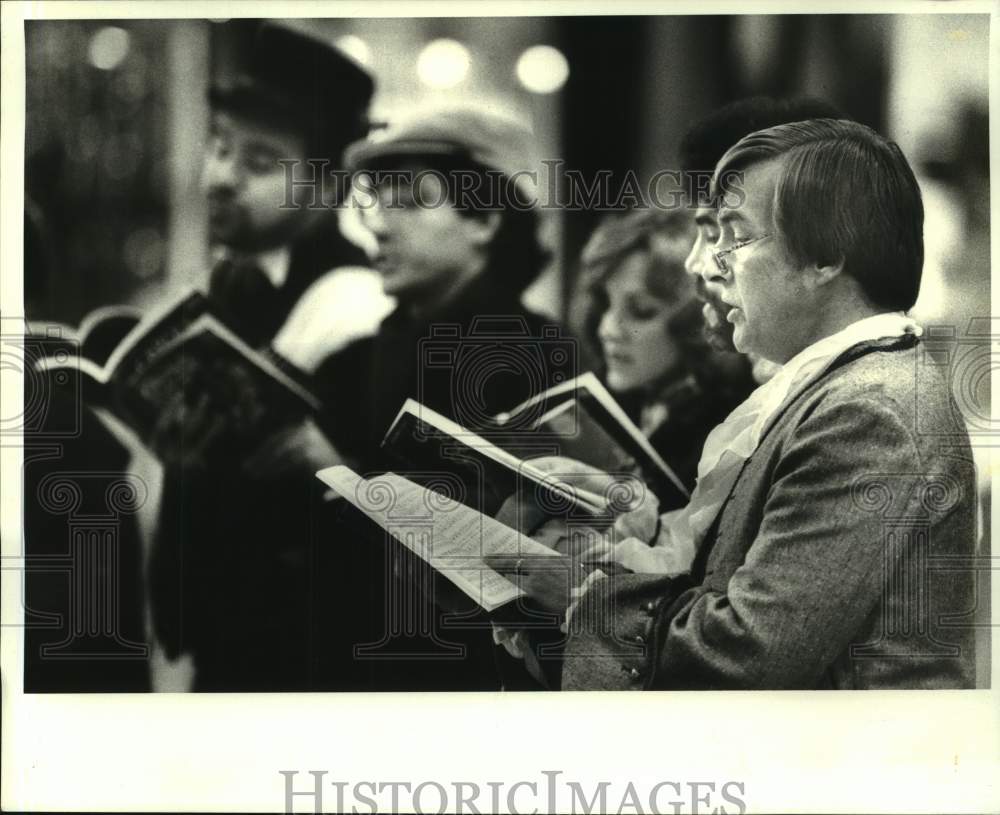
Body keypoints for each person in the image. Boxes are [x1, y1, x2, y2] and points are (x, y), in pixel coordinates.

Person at [491, 119, 977, 690]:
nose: (702, 266)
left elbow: (751, 648)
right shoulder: (838, 388)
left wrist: (579, 595)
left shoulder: (868, 411)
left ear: (825, 257)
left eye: (734, 236)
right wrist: (641, 522)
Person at [312, 104, 576, 690]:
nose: (378, 225)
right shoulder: (352, 360)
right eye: (372, 200)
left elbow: (523, 560)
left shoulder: (538, 356)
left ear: (484, 218)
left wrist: (326, 467)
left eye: (406, 200)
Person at [576, 208, 752, 492]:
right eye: (604, 302)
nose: (607, 329)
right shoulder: (603, 402)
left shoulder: (731, 429)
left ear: (696, 319)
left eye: (641, 311)